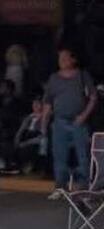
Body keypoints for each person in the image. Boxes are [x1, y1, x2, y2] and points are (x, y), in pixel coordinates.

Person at [42, 48, 97, 191]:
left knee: (82, 155)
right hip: (60, 121)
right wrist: (44, 122)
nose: (62, 61)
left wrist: (84, 115)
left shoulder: (82, 76)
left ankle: (84, 186)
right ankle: (60, 187)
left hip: (78, 121)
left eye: (65, 58)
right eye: (60, 58)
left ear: (73, 59)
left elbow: (93, 97)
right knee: (60, 155)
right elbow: (48, 101)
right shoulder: (54, 78)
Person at [12, 98, 48, 174]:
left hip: (36, 138)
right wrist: (17, 137)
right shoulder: (29, 117)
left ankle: (35, 166)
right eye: (34, 104)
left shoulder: (44, 117)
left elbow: (42, 134)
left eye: (37, 104)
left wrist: (26, 142)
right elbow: (21, 129)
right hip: (27, 136)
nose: (35, 106)